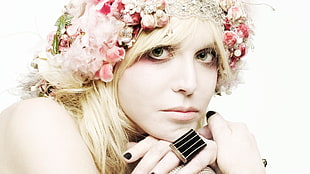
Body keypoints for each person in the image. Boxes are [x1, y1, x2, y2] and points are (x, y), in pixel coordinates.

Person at [0, 0, 266, 173]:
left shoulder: (179, 157)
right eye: (159, 52)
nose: (189, 83)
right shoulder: (38, 119)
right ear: (103, 60)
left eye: (205, 55)